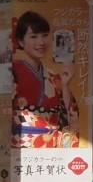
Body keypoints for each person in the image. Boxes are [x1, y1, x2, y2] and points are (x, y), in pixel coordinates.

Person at [10, 11, 76, 148]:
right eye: (33, 36)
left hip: (51, 146)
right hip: (21, 143)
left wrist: (65, 85)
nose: (41, 42)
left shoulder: (53, 76)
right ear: (21, 41)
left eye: (45, 35)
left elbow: (67, 115)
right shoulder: (13, 71)